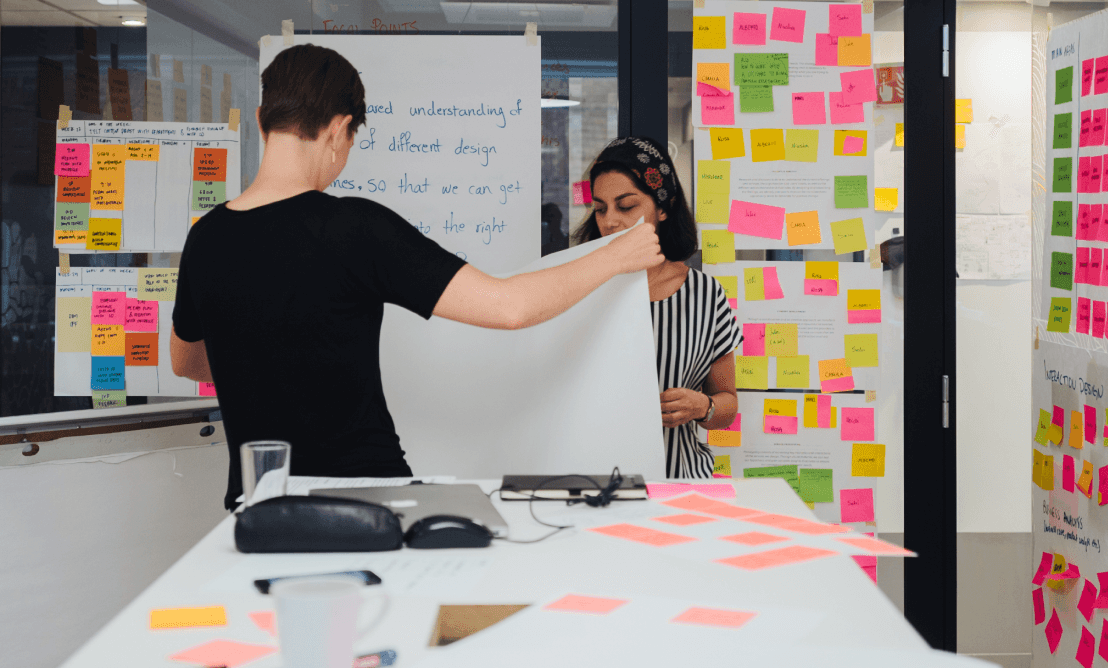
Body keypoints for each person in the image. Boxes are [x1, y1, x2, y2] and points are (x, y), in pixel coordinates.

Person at [170, 44, 662, 506]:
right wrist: (617, 255)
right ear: (341, 130)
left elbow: (187, 362)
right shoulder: (355, 227)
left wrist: (265, 365)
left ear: (261, 121)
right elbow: (510, 307)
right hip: (367, 500)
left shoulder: (207, 237)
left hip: (257, 506)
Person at [576, 136, 741, 479]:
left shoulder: (704, 295)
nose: (609, 221)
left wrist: (702, 406)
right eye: (601, 207)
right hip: (592, 482)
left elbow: (727, 405)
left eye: (626, 206)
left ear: (662, 208)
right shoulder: (579, 288)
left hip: (678, 482)